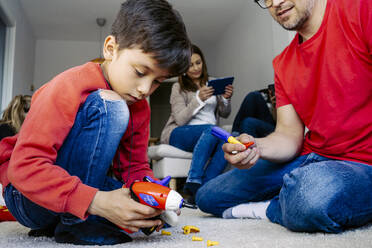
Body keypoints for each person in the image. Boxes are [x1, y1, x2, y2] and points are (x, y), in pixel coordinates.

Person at [0, 0, 191, 245]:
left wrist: (153, 196)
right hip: (25, 196)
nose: (145, 89)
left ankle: (68, 218)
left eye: (157, 81)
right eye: (141, 72)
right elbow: (24, 167)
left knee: (131, 199)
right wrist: (95, 201)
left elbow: (134, 168)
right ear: (111, 48)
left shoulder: (140, 105)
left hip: (70, 188)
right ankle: (75, 225)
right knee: (111, 106)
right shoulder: (67, 86)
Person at [196, 0, 372, 234]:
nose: (275, 3)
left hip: (363, 162)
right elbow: (289, 134)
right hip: (312, 155)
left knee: (310, 196)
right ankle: (290, 197)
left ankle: (269, 208)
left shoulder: (361, 10)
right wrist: (255, 146)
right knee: (208, 197)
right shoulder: (283, 63)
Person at [160, 44, 233, 204]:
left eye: (198, 63)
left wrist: (226, 98)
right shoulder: (178, 87)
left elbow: (225, 113)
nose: (195, 68)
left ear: (203, 62)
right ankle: (193, 181)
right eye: (190, 65)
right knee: (212, 130)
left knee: (230, 138)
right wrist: (199, 99)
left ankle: (202, 191)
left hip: (209, 133)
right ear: (183, 68)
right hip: (180, 133)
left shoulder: (213, 83)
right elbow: (179, 119)